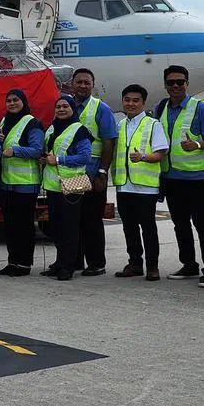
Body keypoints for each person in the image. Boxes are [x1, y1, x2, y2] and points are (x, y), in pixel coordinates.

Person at [153, 66, 204, 281]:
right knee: (180, 224)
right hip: (171, 177)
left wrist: (197, 144)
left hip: (195, 178)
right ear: (165, 85)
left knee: (203, 224)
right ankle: (189, 264)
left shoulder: (200, 108)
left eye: (180, 82)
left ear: (187, 84)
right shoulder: (160, 107)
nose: (175, 86)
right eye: (171, 82)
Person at [111, 85, 169, 281]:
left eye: (135, 100)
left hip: (145, 186)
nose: (130, 104)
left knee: (148, 227)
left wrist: (143, 157)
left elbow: (160, 153)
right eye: (127, 99)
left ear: (143, 102)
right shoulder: (120, 125)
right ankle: (135, 262)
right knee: (129, 226)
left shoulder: (153, 124)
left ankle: (153, 266)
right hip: (123, 184)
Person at [39, 94, 93, 281]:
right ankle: (60, 262)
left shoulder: (80, 130)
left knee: (69, 228)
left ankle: (68, 266)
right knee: (56, 227)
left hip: (72, 186)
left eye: (65, 106)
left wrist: (59, 160)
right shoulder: (52, 128)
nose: (61, 109)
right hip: (54, 186)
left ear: (73, 109)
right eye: (58, 106)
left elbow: (85, 157)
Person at [72, 68, 118, 276]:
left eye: (86, 82)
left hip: (91, 173)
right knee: (74, 218)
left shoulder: (100, 108)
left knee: (92, 220)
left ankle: (97, 263)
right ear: (72, 84)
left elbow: (109, 142)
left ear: (93, 85)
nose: (82, 86)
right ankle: (75, 261)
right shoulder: (66, 106)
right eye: (79, 82)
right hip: (71, 173)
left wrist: (102, 172)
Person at [0, 89, 44, 276]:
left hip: (25, 184)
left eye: (16, 100)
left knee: (23, 226)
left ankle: (24, 264)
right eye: (9, 100)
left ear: (23, 101)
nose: (12, 103)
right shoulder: (3, 121)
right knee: (9, 225)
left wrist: (15, 150)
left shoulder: (32, 123)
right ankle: (12, 261)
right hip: (5, 183)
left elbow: (37, 150)